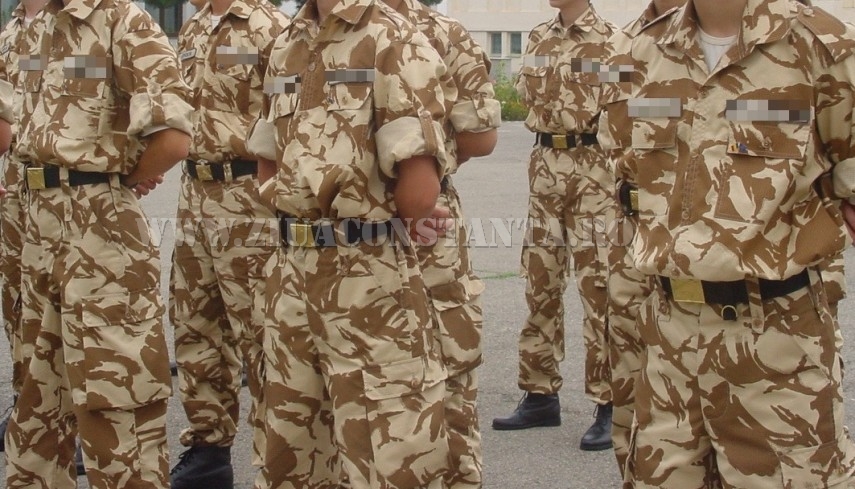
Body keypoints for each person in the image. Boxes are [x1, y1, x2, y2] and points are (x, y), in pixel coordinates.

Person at [601, 0, 855, 486]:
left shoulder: (824, 46)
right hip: (668, 334)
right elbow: (628, 171)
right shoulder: (639, 50)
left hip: (774, 339)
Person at [246, 0, 456, 486]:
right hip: (294, 274)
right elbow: (268, 153)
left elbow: (419, 184)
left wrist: (392, 219)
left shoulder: (389, 37)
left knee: (384, 449)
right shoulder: (287, 44)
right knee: (292, 447)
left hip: (365, 274)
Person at [0, 0, 192, 484]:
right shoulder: (36, 26)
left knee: (117, 401)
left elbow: (173, 138)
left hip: (101, 230)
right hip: (38, 223)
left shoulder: (122, 20)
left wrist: (119, 181)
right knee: (37, 400)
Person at [168, 0, 287, 487]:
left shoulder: (271, 27)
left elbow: (291, 117)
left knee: (260, 332)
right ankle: (208, 451)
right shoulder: (195, 27)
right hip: (194, 191)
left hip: (248, 194)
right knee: (194, 322)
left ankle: (277, 460)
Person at [379, 0, 499, 487]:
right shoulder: (318, 35)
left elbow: (480, 136)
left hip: (428, 225)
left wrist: (423, 176)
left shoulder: (441, 31)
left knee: (447, 368)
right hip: (341, 237)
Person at [491, 0, 617, 452]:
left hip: (594, 169)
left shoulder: (612, 40)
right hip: (545, 166)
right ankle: (540, 394)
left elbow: (625, 110)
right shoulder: (538, 37)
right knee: (539, 281)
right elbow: (529, 98)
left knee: (599, 287)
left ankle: (611, 403)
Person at [597, 0, 684, 477]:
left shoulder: (793, 39)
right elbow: (615, 143)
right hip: (634, 237)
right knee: (632, 399)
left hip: (735, 267)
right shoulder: (626, 43)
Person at [0, 0, 48, 453]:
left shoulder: (84, 26)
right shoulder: (10, 32)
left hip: (66, 191)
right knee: (17, 297)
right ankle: (26, 403)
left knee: (64, 306)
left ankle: (67, 418)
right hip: (16, 186)